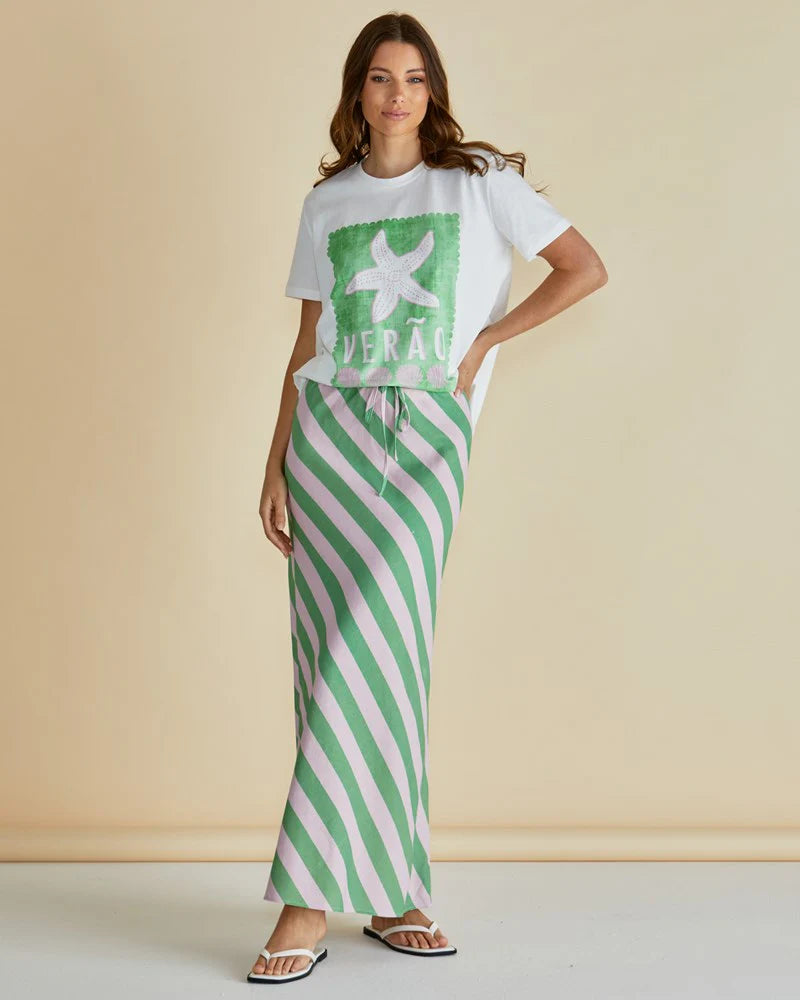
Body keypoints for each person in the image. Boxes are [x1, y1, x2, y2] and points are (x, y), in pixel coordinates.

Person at [249, 11, 607, 985]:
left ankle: (305, 898)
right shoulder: (327, 203)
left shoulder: (477, 183)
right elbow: (306, 344)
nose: (396, 94)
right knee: (334, 657)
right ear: (356, 91)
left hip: (424, 440)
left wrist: (485, 342)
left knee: (381, 650)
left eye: (412, 78)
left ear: (432, 91)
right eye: (379, 77)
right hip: (327, 438)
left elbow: (583, 269)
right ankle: (395, 892)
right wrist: (275, 462)